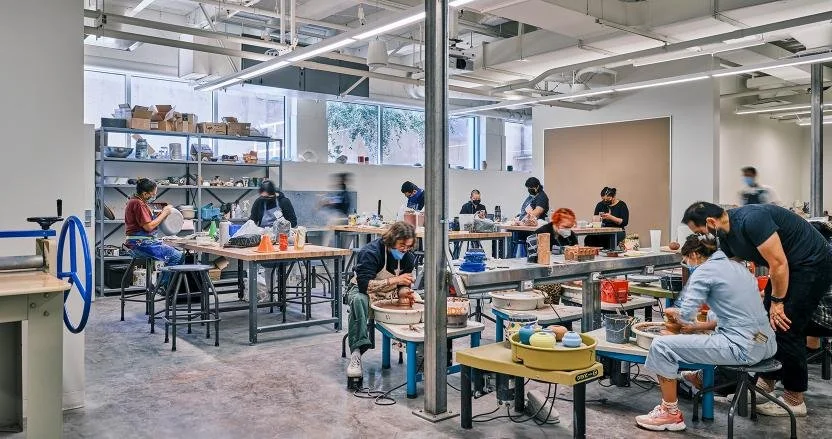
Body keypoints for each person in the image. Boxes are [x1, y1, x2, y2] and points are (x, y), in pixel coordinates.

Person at [682, 201, 832, 416]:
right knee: (765, 324)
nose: (701, 237)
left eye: (700, 232)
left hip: (810, 263)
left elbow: (779, 264)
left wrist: (778, 302)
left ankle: (794, 399)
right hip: (787, 266)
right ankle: (765, 384)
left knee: (786, 324)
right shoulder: (724, 235)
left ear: (710, 221)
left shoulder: (751, 220)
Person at [635, 234, 776, 431]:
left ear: (694, 254)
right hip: (766, 342)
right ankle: (696, 376)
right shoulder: (735, 268)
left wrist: (674, 316)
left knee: (661, 346)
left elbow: (682, 313)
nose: (687, 266)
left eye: (686, 262)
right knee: (709, 316)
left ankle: (670, 413)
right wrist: (697, 328)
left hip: (742, 347)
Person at [346, 222, 418, 381]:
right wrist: (395, 280)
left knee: (418, 300)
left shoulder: (408, 257)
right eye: (401, 245)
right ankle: (356, 353)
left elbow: (402, 285)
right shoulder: (371, 252)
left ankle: (418, 352)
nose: (404, 250)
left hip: (388, 292)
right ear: (391, 239)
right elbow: (365, 286)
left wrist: (405, 293)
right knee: (359, 301)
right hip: (362, 290)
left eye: (408, 246)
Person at [123, 178, 184, 273]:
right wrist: (164, 213)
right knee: (178, 256)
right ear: (145, 194)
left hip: (137, 243)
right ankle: (164, 286)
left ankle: (161, 284)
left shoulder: (135, 201)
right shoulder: (138, 204)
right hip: (141, 244)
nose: (154, 196)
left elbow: (149, 221)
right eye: (153, 194)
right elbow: (148, 227)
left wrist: (164, 212)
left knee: (173, 251)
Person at [510, 177, 550, 257]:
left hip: (533, 229)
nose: (529, 189)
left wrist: (523, 221)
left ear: (537, 186)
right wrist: (519, 219)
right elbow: (527, 211)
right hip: (525, 226)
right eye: (528, 188)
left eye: (530, 188)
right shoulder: (532, 197)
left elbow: (536, 212)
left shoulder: (542, 197)